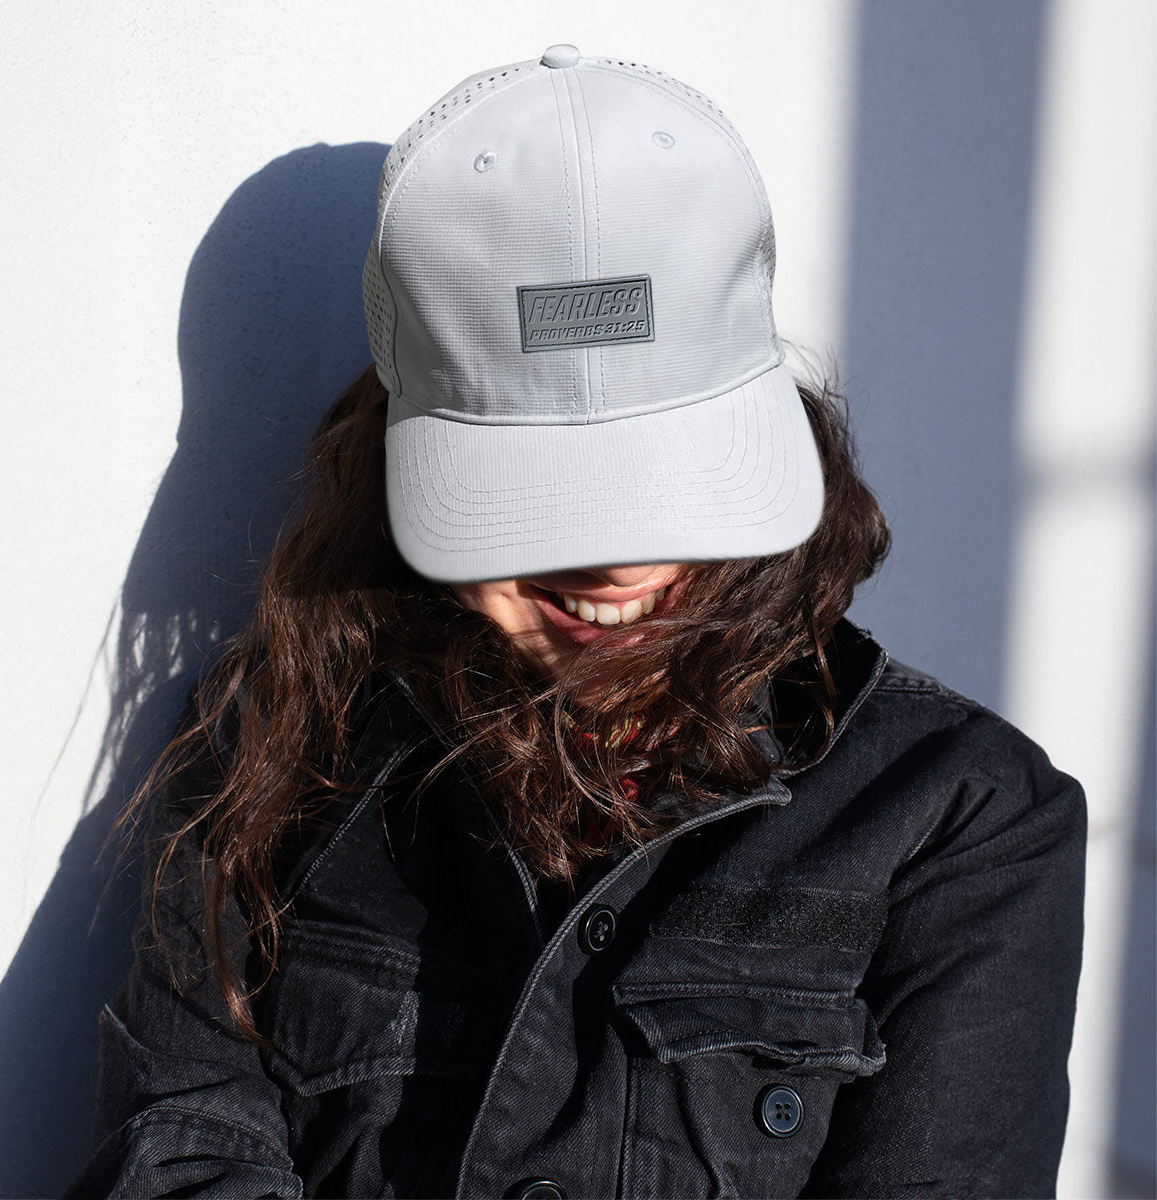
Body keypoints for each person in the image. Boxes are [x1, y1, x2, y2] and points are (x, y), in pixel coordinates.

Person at [68, 45, 1086, 1199]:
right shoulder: (276, 742)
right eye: (539, 495)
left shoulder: (960, 821)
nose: (616, 560)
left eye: (666, 481)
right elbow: (181, 1139)